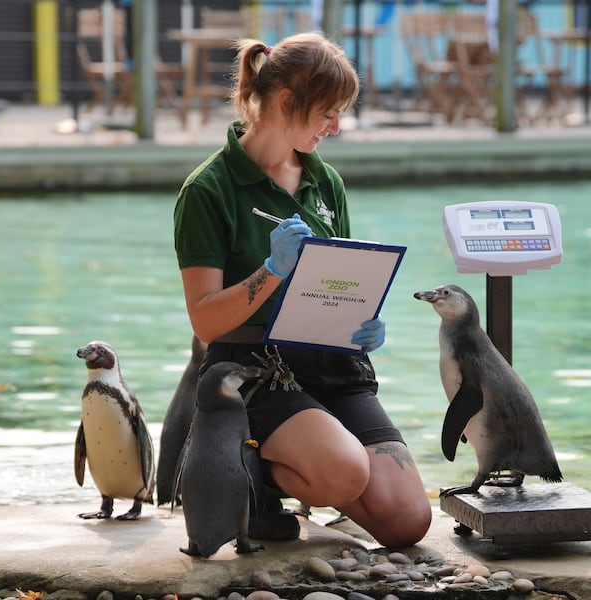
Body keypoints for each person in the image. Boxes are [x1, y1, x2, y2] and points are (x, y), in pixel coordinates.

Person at [173, 32, 432, 549]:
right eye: (328, 113)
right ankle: (255, 482)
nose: (336, 127)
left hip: (331, 362)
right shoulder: (207, 190)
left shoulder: (326, 181)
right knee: (343, 472)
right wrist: (271, 270)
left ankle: (320, 463)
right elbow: (204, 323)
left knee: (408, 523)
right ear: (287, 101)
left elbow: (336, 280)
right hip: (255, 367)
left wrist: (363, 324)